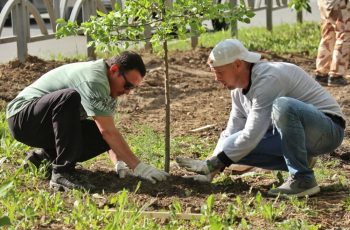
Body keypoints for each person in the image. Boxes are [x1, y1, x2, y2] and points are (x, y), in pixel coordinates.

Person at [177, 39, 345, 197]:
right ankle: (302, 159)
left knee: (283, 106)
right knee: (230, 146)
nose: (216, 78)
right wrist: (209, 171)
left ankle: (303, 178)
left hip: (328, 129)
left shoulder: (268, 78)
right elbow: (232, 130)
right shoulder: (238, 91)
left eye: (220, 72)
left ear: (237, 64)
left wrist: (215, 162)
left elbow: (253, 133)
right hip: (302, 136)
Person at [6, 51, 168, 191]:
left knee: (98, 135)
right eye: (127, 85)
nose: (127, 92)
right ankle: (63, 173)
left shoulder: (110, 89)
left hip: (43, 124)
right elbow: (108, 132)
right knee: (68, 97)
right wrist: (139, 167)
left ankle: (42, 159)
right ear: (114, 70)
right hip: (22, 117)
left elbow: (106, 132)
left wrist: (119, 162)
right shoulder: (94, 80)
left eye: (132, 88)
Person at [314, 0, 350, 86]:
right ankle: (335, 75)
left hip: (324, 3)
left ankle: (322, 73)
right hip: (339, 3)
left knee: (328, 35)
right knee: (343, 34)